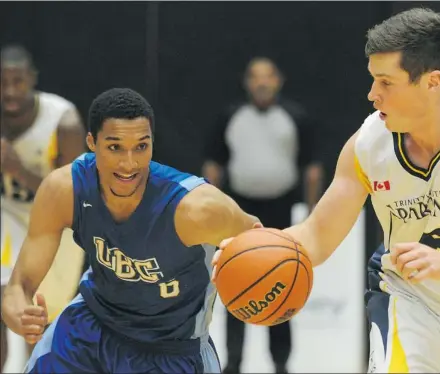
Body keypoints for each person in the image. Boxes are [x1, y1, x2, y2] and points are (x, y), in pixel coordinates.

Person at [213, 8, 440, 373]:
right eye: (372, 81)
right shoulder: (368, 145)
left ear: (432, 82)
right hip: (411, 306)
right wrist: (250, 251)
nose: (372, 95)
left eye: (386, 82)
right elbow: (317, 236)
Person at [1, 87, 261, 374]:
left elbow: (264, 244)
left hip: (171, 349)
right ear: (92, 142)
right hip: (88, 332)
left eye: (141, 146)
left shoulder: (198, 209)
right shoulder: (65, 189)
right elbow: (19, 286)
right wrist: (19, 314)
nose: (129, 163)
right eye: (115, 147)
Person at [203, 56, 323, 374]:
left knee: (283, 285)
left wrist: (311, 214)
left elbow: (311, 168)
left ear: (279, 80)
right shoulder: (230, 116)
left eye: (268, 76)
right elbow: (213, 166)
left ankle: (281, 364)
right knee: (235, 284)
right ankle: (233, 364)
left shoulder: (295, 117)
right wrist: (214, 208)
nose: (262, 82)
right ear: (247, 82)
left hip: (280, 210)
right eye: (255, 77)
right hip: (238, 211)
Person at [0, 44, 86, 371]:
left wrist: (17, 168)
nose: (9, 90)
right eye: (2, 81)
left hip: (52, 225)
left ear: (32, 80)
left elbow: (72, 194)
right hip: (6, 216)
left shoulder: (63, 121)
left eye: (18, 81)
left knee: (39, 321)